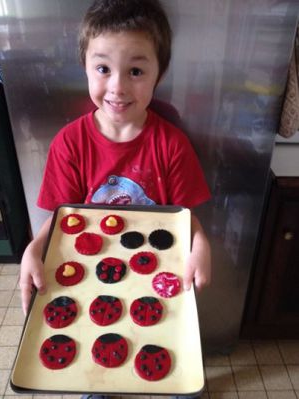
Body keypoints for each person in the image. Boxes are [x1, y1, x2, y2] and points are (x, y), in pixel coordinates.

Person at [20, 0, 211, 397]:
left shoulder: (171, 145)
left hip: (158, 280)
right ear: (86, 66)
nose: (118, 87)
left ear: (159, 75)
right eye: (103, 68)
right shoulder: (69, 144)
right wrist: (34, 247)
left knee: (165, 355)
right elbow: (61, 219)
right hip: (90, 278)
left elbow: (185, 217)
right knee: (100, 354)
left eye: (136, 71)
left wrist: (202, 243)